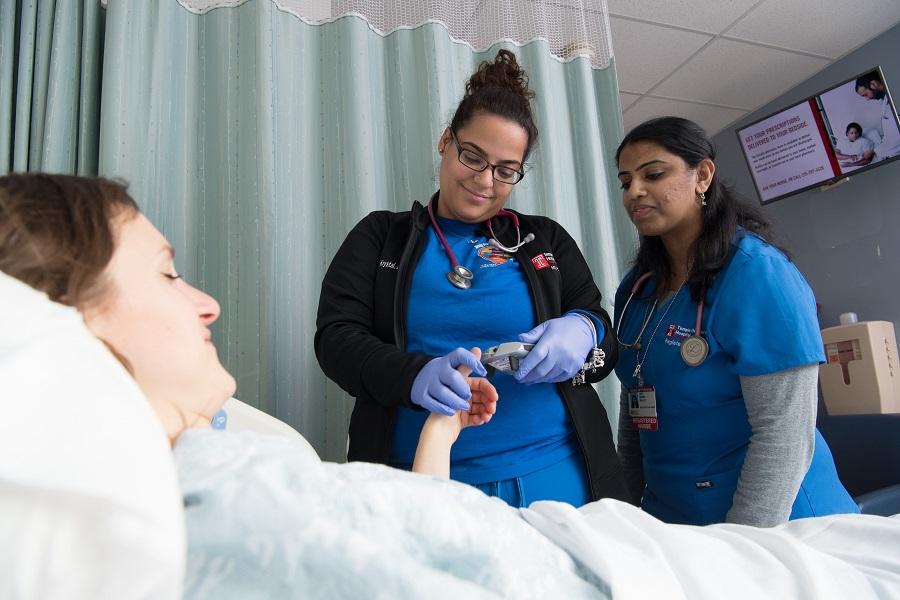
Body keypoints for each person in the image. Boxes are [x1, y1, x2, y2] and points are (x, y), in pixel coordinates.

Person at [314, 49, 625, 508]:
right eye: (472, 156)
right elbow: (336, 340)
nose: (485, 180)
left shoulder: (544, 240)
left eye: (506, 170)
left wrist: (584, 331)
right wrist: (414, 374)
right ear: (446, 141)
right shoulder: (381, 237)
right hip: (420, 480)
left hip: (555, 475)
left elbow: (604, 343)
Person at [612, 116, 860, 527]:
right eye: (625, 182)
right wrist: (625, 515)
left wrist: (744, 546)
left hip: (776, 527)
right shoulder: (637, 289)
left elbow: (783, 434)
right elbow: (635, 405)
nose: (634, 192)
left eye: (653, 174)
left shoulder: (756, 274)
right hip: (676, 519)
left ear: (703, 175)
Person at [855, 71, 900, 161]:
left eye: (865, 95)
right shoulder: (884, 102)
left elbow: (897, 137)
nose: (867, 99)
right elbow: (890, 135)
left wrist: (875, 151)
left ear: (873, 84)